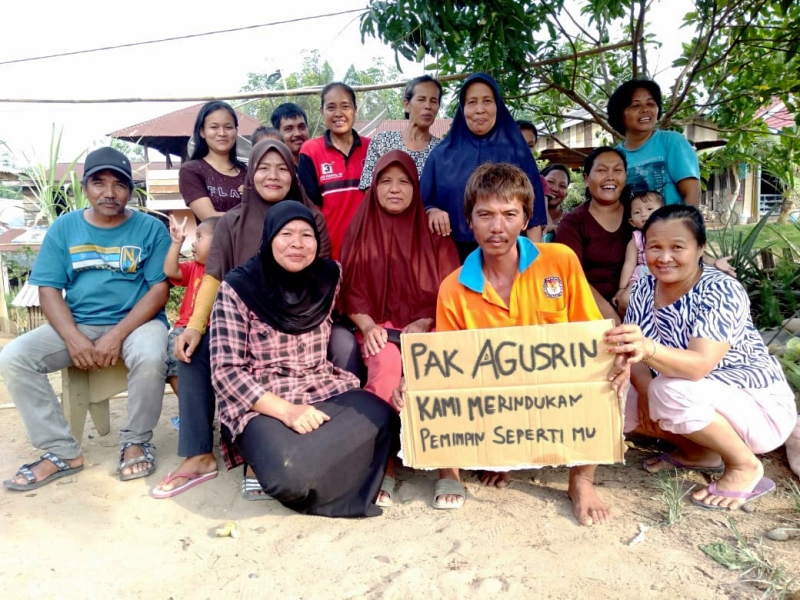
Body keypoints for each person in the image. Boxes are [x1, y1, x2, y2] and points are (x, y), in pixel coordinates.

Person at [392, 162, 629, 524]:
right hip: (497, 412)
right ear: (469, 221)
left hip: (554, 402)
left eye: (509, 214)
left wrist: (617, 359)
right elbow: (450, 368)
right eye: (485, 214)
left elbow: (589, 336)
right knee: (432, 401)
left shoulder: (560, 261)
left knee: (610, 379)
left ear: (526, 219)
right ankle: (468, 467)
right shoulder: (453, 287)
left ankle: (581, 480)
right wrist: (417, 384)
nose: (497, 226)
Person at [153, 140, 343, 500]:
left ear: (293, 173)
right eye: (264, 168)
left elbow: (322, 277)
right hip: (241, 324)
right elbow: (213, 274)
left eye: (283, 168)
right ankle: (199, 454)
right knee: (196, 349)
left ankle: (310, 428)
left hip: (300, 323)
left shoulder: (311, 218)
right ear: (251, 174)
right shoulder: (232, 222)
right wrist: (195, 325)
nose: (273, 176)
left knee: (340, 344)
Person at [211, 201, 397, 517]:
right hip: (265, 404)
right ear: (269, 237)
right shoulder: (238, 287)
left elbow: (359, 305)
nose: (297, 244)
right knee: (289, 478)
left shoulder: (328, 276)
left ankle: (308, 460)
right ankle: (313, 465)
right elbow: (225, 372)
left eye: (306, 235)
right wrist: (287, 412)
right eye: (286, 234)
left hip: (322, 389)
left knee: (384, 415)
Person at [1, 147, 171, 490]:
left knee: (153, 356)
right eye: (99, 183)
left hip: (137, 322)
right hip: (79, 321)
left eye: (119, 184)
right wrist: (73, 338)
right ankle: (61, 451)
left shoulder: (151, 229)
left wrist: (117, 335)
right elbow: (48, 289)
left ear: (131, 190)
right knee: (14, 358)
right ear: (85, 186)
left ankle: (136, 439)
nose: (109, 193)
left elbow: (158, 290)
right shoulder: (64, 228)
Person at [608, 204, 797, 510]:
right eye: (655, 246)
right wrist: (642, 392)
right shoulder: (643, 288)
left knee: (667, 390)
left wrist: (649, 355)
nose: (664, 257)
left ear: (700, 249)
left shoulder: (720, 290)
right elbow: (637, 356)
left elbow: (698, 366)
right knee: (615, 388)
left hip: (758, 407)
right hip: (695, 395)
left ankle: (743, 465)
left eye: (677, 247)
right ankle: (700, 453)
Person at [341, 150, 460, 506]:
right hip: (378, 327)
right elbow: (348, 288)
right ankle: (384, 462)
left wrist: (427, 320)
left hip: (430, 326)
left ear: (416, 186)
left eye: (404, 181)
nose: (395, 189)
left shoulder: (434, 231)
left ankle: (448, 466)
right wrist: (368, 324)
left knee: (443, 364)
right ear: (374, 186)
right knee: (385, 368)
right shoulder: (359, 227)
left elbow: (451, 289)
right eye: (386, 181)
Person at [423, 73, 547, 262]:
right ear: (462, 108)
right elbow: (422, 203)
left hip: (508, 256)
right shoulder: (441, 155)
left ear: (497, 106)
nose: (480, 109)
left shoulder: (518, 152)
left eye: (487, 101)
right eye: (472, 102)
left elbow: (534, 211)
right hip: (451, 256)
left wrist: (535, 263)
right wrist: (432, 210)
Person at [555, 147, 633, 323]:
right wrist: (612, 319)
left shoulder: (641, 216)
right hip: (589, 312)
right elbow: (571, 276)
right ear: (586, 179)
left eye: (617, 170)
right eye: (601, 170)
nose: (610, 176)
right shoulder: (573, 222)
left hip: (639, 306)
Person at [298, 82, 371, 259]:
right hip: (330, 254)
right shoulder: (310, 151)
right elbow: (310, 208)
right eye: (331, 107)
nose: (338, 113)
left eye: (345, 106)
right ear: (322, 111)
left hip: (369, 253)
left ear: (355, 109)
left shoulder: (372, 147)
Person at [608, 79, 700, 207]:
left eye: (650, 104)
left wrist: (686, 226)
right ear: (620, 114)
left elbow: (691, 192)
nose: (645, 110)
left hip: (672, 225)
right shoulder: (615, 155)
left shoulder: (672, 141)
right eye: (635, 106)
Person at [163, 215, 219, 395]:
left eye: (200, 237)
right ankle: (187, 406)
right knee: (173, 358)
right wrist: (176, 243)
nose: (194, 243)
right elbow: (171, 270)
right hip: (185, 327)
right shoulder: (194, 267)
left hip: (215, 328)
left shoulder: (229, 270)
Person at [358, 75, 443, 189]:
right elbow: (368, 187)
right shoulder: (383, 142)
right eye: (421, 99)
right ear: (407, 105)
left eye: (433, 101)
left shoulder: (442, 150)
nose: (428, 106)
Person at [179, 101, 247, 222]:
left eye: (228, 127)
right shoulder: (191, 171)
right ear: (202, 132)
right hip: (214, 241)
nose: (222, 133)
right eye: (214, 127)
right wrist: (252, 215)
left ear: (236, 131)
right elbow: (210, 218)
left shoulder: (249, 172)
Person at [612, 190, 664, 315]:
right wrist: (621, 289)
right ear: (632, 222)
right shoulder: (636, 239)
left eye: (650, 208)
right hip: (641, 275)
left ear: (663, 213)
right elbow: (629, 264)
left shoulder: (669, 234)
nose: (644, 214)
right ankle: (626, 326)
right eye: (637, 212)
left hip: (664, 272)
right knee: (624, 300)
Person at [541, 163, 571, 242]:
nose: (555, 189)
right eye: (550, 182)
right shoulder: (524, 218)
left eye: (562, 186)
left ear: (566, 194)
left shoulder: (571, 221)